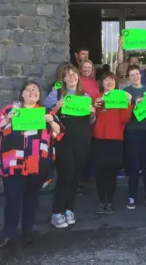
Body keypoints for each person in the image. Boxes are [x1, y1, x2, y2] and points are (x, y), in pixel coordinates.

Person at [0, 81, 62, 248]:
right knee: (13, 199)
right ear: (22, 94)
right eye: (29, 89)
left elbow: (58, 132)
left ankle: (28, 231)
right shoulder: (10, 110)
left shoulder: (45, 112)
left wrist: (51, 121)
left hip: (37, 164)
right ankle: (9, 233)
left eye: (35, 90)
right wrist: (7, 118)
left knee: (32, 199)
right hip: (13, 163)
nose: (32, 91)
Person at [44, 64, 95, 229]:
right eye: (68, 75)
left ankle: (68, 209)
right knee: (66, 175)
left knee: (75, 177)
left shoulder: (85, 95)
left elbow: (91, 121)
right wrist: (57, 107)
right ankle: (56, 212)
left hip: (82, 141)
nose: (72, 77)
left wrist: (92, 112)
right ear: (63, 79)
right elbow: (45, 115)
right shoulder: (56, 93)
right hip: (63, 141)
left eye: (74, 74)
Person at [92, 71, 133, 214]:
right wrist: (93, 106)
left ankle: (109, 202)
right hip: (99, 138)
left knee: (111, 172)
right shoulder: (96, 98)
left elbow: (125, 119)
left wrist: (128, 103)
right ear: (102, 83)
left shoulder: (121, 98)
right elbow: (91, 118)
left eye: (112, 80)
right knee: (100, 173)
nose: (109, 82)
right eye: (106, 80)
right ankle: (101, 201)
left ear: (115, 84)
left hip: (115, 139)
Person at [123, 65, 146, 210]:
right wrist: (132, 103)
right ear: (128, 77)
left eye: (137, 74)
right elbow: (124, 114)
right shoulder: (125, 92)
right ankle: (132, 196)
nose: (136, 77)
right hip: (133, 132)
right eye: (132, 75)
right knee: (134, 165)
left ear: (141, 75)